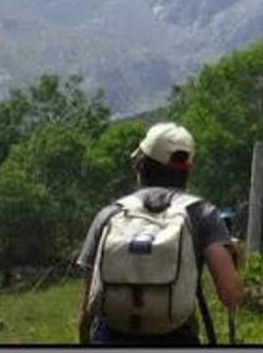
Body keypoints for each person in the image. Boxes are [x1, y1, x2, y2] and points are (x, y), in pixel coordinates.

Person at [77, 122, 243, 345]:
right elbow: (230, 295)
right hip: (176, 339)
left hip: (112, 338)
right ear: (187, 170)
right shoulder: (202, 214)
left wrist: (84, 336)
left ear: (141, 164)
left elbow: (90, 303)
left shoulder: (109, 215)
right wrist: (236, 258)